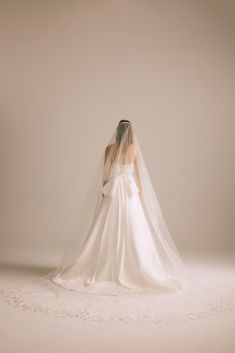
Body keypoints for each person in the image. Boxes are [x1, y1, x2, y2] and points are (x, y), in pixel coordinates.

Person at [0, 120, 233, 323]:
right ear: (130, 134)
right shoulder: (133, 149)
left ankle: (102, 267)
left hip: (113, 192)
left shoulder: (109, 148)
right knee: (133, 230)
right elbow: (138, 175)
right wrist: (140, 196)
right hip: (129, 193)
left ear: (117, 133)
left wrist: (105, 193)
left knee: (106, 229)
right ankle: (132, 269)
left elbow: (105, 175)